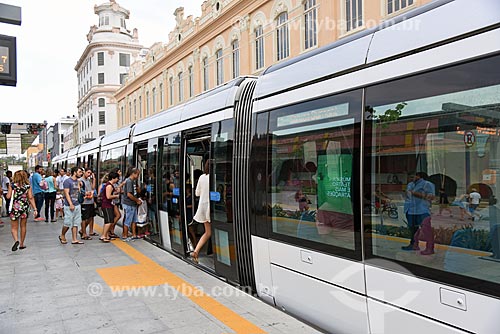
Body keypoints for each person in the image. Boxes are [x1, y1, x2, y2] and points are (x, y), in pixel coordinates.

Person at [402, 171, 435, 254]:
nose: (410, 178)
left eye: (413, 176)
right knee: (413, 229)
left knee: (426, 229)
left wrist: (414, 193)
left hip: (422, 210)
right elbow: (407, 196)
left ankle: (430, 248)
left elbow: (430, 197)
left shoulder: (427, 184)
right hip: (410, 210)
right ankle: (414, 245)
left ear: (419, 176)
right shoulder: (410, 185)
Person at [7, 170, 37, 251]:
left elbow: (8, 196)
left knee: (14, 227)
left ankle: (16, 240)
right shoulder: (27, 186)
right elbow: (30, 197)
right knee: (23, 226)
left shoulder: (12, 185)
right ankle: (21, 244)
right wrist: (35, 208)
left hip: (14, 207)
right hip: (24, 207)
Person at [191, 161, 211, 263]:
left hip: (202, 207)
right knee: (210, 232)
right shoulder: (214, 177)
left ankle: (196, 251)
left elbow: (197, 193)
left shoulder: (202, 177)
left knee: (207, 232)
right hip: (212, 208)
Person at [59, 167, 84, 245]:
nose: (81, 173)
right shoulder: (67, 181)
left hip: (77, 204)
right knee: (67, 223)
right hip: (69, 205)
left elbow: (79, 193)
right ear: (74, 172)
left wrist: (80, 186)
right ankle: (62, 235)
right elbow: (66, 193)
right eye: (79, 172)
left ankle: (74, 239)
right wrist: (70, 204)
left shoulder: (78, 181)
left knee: (76, 223)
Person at [121, 167, 142, 241]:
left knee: (134, 220)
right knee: (128, 220)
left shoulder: (132, 181)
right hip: (129, 204)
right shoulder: (129, 181)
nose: (138, 176)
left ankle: (134, 234)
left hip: (133, 204)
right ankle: (125, 236)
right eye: (138, 174)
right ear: (133, 174)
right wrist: (137, 200)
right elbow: (129, 194)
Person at [100, 171, 120, 242]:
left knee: (109, 221)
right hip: (107, 205)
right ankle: (103, 236)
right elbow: (108, 196)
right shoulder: (109, 186)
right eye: (117, 178)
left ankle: (106, 235)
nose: (118, 180)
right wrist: (116, 196)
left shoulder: (110, 185)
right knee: (108, 221)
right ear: (114, 178)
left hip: (108, 205)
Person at [79, 168, 97, 239]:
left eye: (90, 173)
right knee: (84, 218)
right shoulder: (80, 180)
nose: (89, 174)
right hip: (84, 202)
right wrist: (85, 194)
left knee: (91, 217)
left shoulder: (89, 180)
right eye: (88, 172)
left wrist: (94, 179)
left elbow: (92, 188)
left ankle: (84, 231)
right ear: (84, 172)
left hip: (91, 201)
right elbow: (79, 190)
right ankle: (84, 233)